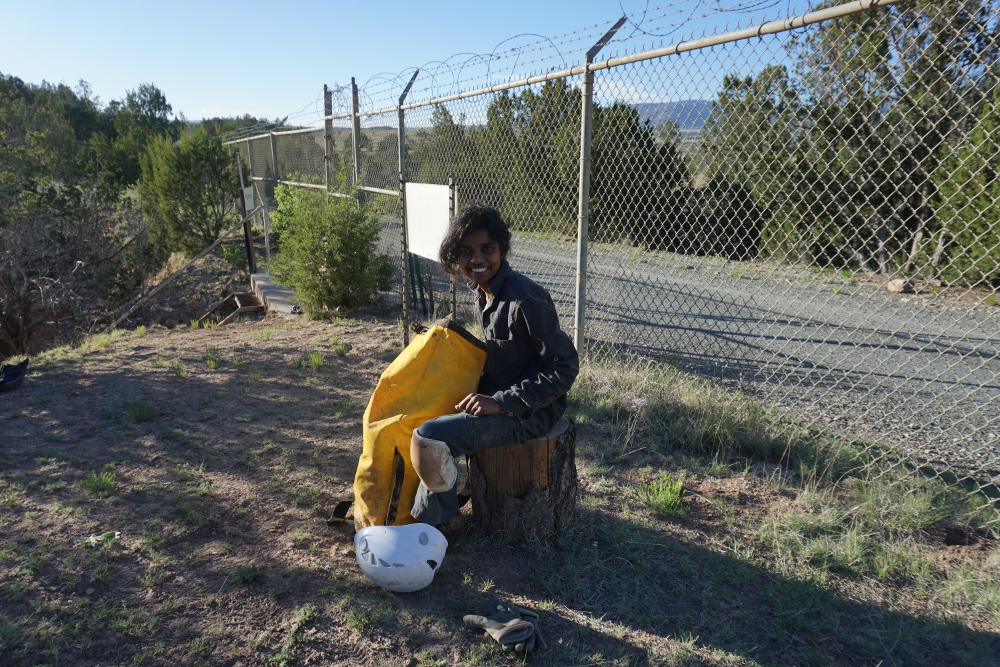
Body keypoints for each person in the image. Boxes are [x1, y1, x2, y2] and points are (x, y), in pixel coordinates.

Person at [409, 203, 579, 541]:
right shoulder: (485, 291)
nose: (477, 259)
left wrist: (502, 402)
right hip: (500, 397)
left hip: (531, 413)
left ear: (502, 248)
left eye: (487, 248)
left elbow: (564, 367)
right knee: (418, 413)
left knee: (430, 437)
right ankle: (423, 503)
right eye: (466, 251)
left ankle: (439, 527)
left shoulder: (525, 297)